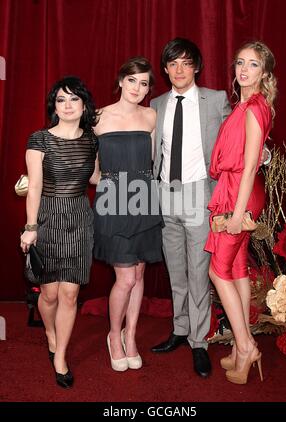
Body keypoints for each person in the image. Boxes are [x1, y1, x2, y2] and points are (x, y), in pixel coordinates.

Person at [150, 38, 232, 377]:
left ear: (196, 66)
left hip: (200, 193)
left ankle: (200, 341)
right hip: (165, 193)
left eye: (186, 62)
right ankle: (180, 330)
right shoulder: (154, 104)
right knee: (176, 270)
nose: (179, 69)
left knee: (199, 272)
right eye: (173, 63)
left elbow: (236, 141)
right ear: (166, 69)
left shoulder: (215, 100)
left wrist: (263, 156)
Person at [205, 41, 277, 384]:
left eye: (253, 64)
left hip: (240, 193)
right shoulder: (247, 105)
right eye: (240, 63)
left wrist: (235, 214)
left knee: (218, 272)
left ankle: (247, 347)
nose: (244, 70)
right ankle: (238, 345)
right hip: (240, 191)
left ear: (264, 73)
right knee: (235, 268)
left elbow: (249, 167)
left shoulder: (253, 108)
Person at [20, 76, 98, 388]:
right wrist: (30, 228)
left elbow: (94, 177)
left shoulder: (92, 140)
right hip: (48, 219)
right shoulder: (39, 139)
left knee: (70, 293)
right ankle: (50, 332)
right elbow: (34, 187)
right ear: (55, 105)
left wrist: (132, 174)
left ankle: (60, 355)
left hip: (79, 217)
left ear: (83, 106)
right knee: (49, 293)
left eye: (73, 99)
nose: (67, 105)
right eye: (61, 100)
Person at [91, 57, 163, 372]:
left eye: (144, 82)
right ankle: (113, 336)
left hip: (146, 201)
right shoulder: (96, 118)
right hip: (114, 203)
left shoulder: (151, 116)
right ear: (121, 81)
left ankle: (130, 335)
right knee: (126, 277)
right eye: (132, 80)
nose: (137, 88)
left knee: (140, 275)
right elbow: (91, 173)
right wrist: (114, 186)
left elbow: (157, 161)